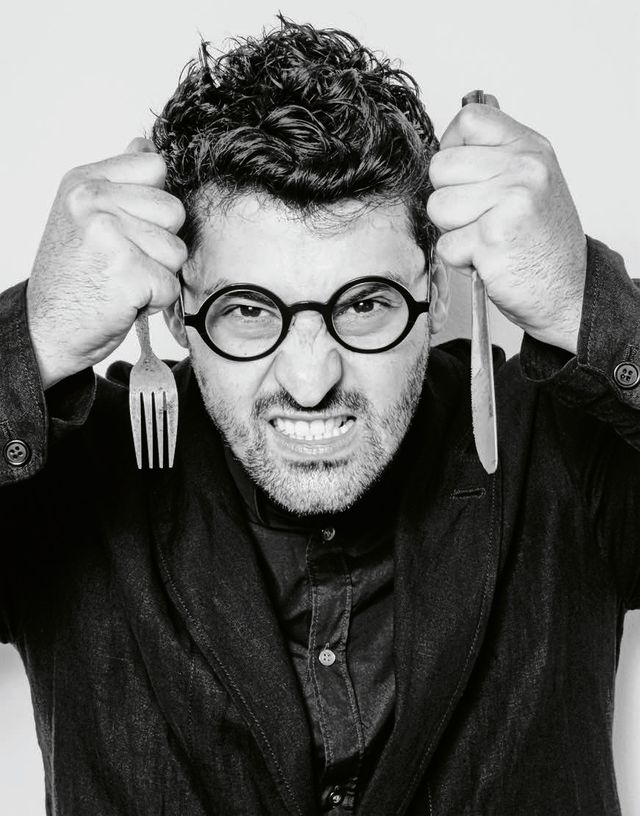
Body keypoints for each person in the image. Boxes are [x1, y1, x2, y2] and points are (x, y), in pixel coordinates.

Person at [1, 16, 638, 816]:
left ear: (435, 291)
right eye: (247, 310)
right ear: (175, 311)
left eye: (365, 304)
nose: (309, 381)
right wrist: (32, 340)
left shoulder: (564, 451)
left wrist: (587, 303)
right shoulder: (70, 477)